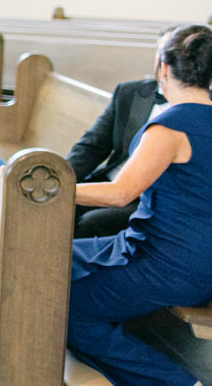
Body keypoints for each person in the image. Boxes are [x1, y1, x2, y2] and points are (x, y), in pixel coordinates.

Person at [67, 24, 212, 386]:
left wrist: (56, 187)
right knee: (52, 260)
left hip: (168, 260)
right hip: (191, 256)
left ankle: (169, 384)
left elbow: (120, 193)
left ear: (162, 68)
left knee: (64, 306)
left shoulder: (173, 125)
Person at [65, 28, 203, 238]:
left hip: (152, 199)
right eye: (162, 53)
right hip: (112, 182)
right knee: (54, 207)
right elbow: (91, 147)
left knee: (93, 222)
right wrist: (57, 177)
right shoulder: (129, 93)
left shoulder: (202, 107)